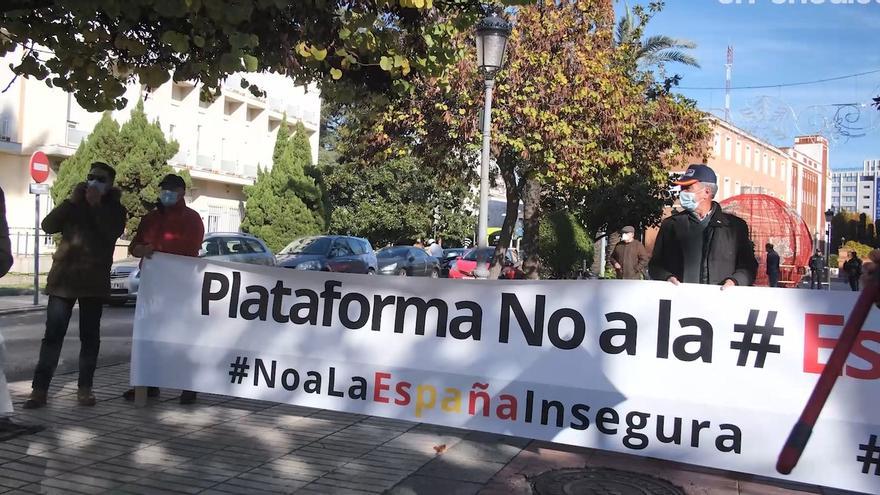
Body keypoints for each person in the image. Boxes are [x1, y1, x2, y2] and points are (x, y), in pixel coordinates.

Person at [24, 162, 127, 409]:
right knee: (53, 336)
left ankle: (85, 388)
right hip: (64, 281)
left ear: (109, 185)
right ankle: (39, 391)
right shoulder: (74, 203)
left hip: (93, 282)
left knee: (90, 337)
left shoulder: (116, 210)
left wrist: (95, 207)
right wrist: (72, 202)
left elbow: (109, 233)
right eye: (90, 177)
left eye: (100, 179)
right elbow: (48, 225)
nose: (93, 182)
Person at [122, 174, 204, 404]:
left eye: (170, 189)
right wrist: (140, 250)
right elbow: (134, 246)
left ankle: (188, 386)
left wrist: (155, 247)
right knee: (149, 335)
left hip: (181, 288)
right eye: (163, 189)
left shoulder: (192, 218)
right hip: (153, 288)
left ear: (180, 192)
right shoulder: (150, 218)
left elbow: (190, 246)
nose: (165, 193)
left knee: (182, 337)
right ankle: (148, 384)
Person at [648, 164, 757, 288]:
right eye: (681, 188)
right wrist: (666, 277)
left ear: (707, 192)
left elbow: (748, 267)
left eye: (688, 188)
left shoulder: (735, 227)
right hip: (681, 301)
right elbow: (655, 266)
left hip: (720, 301)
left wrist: (735, 281)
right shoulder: (671, 225)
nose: (682, 193)